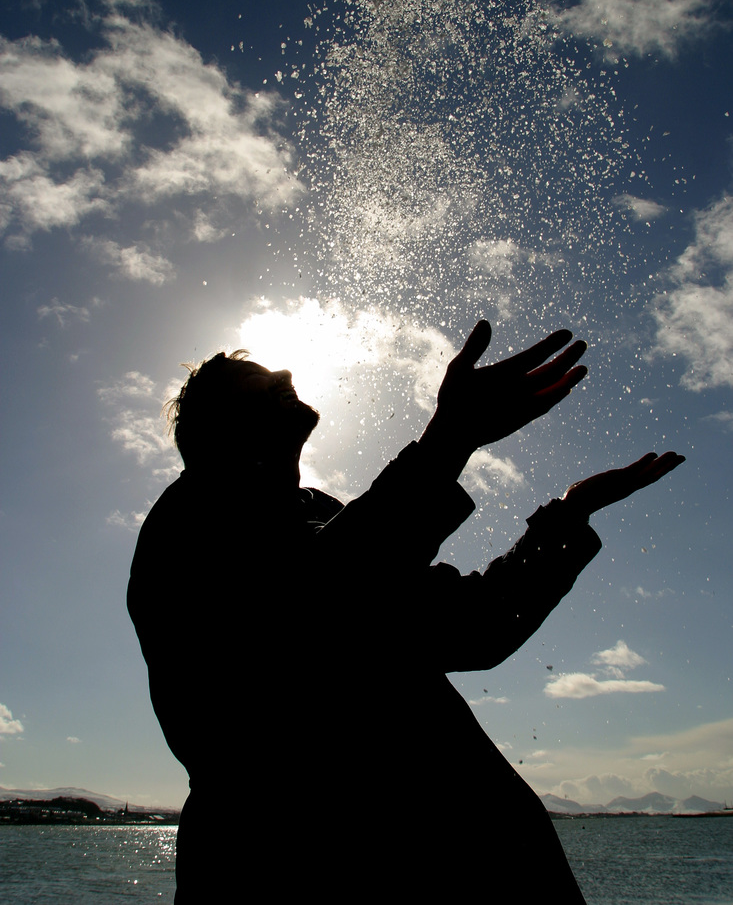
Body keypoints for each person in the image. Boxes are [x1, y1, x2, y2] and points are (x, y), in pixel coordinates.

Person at [127, 320, 684, 902]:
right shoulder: (187, 529)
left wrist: (570, 516)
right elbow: (314, 610)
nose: (286, 373)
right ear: (219, 429)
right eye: (253, 379)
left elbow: (473, 628)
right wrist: (450, 438)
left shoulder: (316, 514)